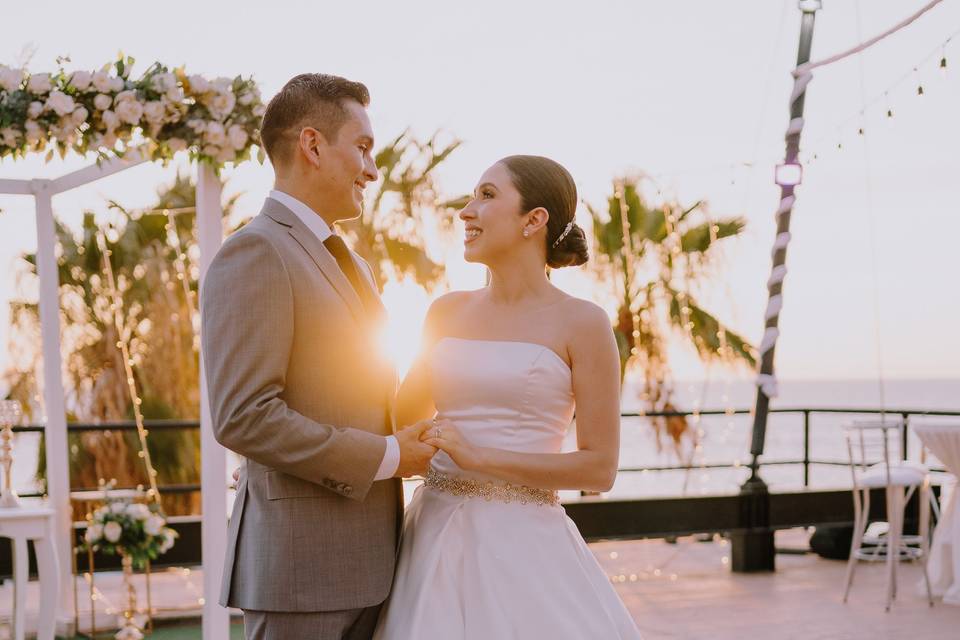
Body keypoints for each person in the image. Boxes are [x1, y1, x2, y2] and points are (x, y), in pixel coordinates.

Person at [200, 73, 437, 640]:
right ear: (312, 145)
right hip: (300, 576)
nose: (373, 170)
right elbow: (244, 416)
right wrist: (386, 456)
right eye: (362, 148)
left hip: (376, 566)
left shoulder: (352, 263)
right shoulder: (256, 252)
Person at [373, 155, 643, 638]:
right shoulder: (444, 312)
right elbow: (402, 422)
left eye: (488, 195)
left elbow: (599, 469)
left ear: (534, 220)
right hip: (431, 534)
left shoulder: (583, 323)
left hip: (523, 543)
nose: (466, 211)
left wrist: (478, 455)